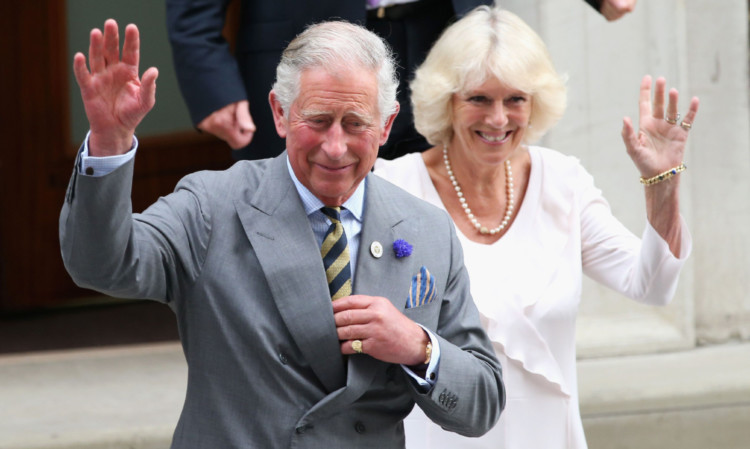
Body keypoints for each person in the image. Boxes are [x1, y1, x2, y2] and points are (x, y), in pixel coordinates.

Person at [60, 18, 505, 448]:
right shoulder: (211, 204)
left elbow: (481, 403)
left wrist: (418, 347)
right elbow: (103, 264)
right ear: (279, 112)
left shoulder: (426, 229)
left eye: (355, 124)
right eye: (317, 120)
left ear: (386, 126)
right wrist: (109, 143)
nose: (335, 147)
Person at [374, 5, 697, 448]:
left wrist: (663, 183)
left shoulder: (562, 183)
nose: (498, 119)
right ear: (446, 99)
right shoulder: (391, 188)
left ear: (536, 102)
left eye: (515, 100)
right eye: (479, 98)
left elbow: (652, 284)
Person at [166, 0, 636, 161]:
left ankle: (436, 377)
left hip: (444, 36)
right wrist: (208, 75)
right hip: (315, 51)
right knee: (304, 234)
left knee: (443, 231)